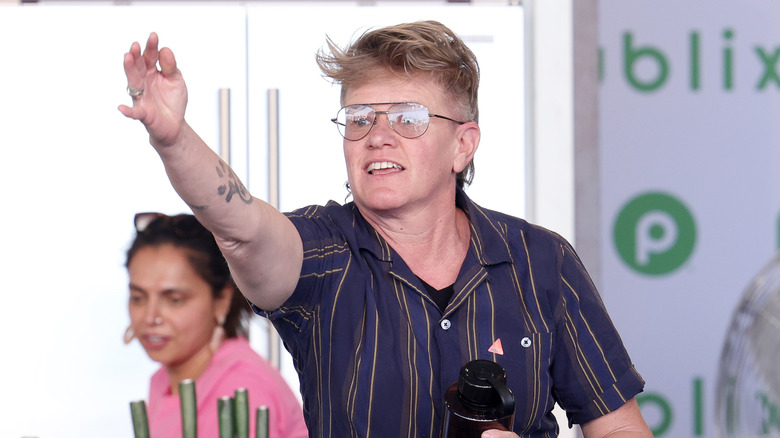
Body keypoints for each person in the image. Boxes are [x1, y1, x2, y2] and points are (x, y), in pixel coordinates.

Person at [119, 21, 653, 437]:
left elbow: (623, 425)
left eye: (409, 117)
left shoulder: (542, 261)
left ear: (463, 144)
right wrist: (173, 138)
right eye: (359, 118)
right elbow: (241, 230)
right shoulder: (320, 253)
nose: (377, 135)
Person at [123, 212, 309, 438]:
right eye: (139, 298)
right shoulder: (166, 379)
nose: (150, 317)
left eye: (174, 300)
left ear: (221, 301)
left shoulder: (241, 390)